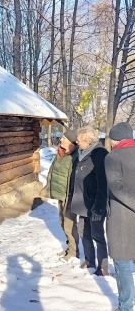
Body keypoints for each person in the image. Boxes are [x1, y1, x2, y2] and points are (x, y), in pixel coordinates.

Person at [71, 125, 109, 276]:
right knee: (83, 232)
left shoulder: (99, 154)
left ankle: (104, 267)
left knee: (97, 235)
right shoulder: (81, 154)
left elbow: (103, 182)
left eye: (80, 140)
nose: (77, 143)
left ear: (88, 141)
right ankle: (89, 260)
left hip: (95, 203)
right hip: (82, 202)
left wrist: (99, 206)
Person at [105, 122, 135, 311]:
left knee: (123, 263)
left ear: (115, 139)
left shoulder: (112, 157)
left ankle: (126, 306)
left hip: (122, 217)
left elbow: (116, 187)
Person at [44, 130, 79, 260]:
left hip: (69, 196)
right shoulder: (60, 153)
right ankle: (69, 247)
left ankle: (74, 251)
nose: (61, 140)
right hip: (60, 194)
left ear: (71, 142)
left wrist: (70, 196)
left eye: (64, 138)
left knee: (69, 224)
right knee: (62, 222)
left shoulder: (75, 157)